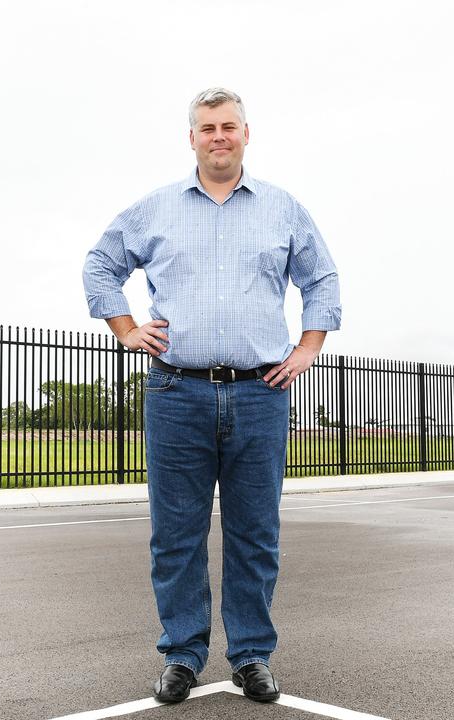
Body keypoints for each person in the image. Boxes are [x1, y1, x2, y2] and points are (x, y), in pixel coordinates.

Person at [82, 87, 341, 704]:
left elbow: (321, 277)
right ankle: (182, 653)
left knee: (255, 533)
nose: (218, 136)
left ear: (247, 134)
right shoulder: (156, 210)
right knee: (176, 533)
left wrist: (307, 349)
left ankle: (251, 655)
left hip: (259, 393)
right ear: (191, 138)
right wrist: (125, 327)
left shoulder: (283, 209)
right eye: (207, 128)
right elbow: (100, 265)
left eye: (229, 126)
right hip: (177, 391)